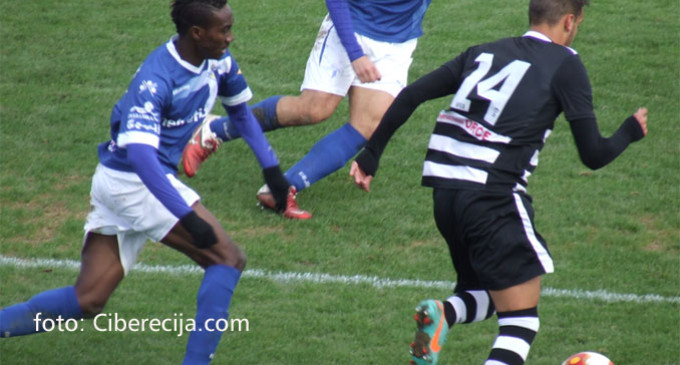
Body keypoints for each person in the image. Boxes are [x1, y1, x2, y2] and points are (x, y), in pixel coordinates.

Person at [349, 0, 647, 364]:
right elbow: (593, 155)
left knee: (492, 293)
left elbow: (410, 95)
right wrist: (629, 132)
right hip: (493, 197)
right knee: (520, 322)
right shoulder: (566, 64)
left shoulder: (484, 52)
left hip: (446, 196)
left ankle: (445, 314)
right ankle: (449, 315)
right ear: (570, 21)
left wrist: (371, 154)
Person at [0, 1, 293, 364]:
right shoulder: (156, 79)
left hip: (122, 179)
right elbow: (141, 157)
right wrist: (186, 217)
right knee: (228, 259)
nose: (230, 37)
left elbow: (240, 113)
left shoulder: (218, 60)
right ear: (197, 33)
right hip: (133, 182)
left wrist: (272, 170)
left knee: (87, 299)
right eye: (224, 30)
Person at [181, 0, 433, 219]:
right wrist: (355, 54)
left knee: (368, 125)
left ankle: (280, 190)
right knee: (314, 108)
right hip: (352, 28)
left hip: (398, 42)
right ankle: (213, 130)